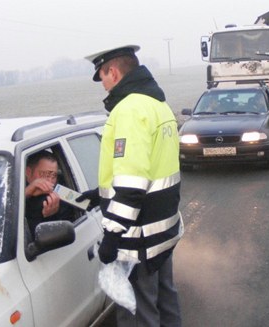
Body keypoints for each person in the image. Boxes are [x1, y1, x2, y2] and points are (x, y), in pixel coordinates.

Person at [78, 45, 183, 327]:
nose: (103, 86)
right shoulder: (157, 104)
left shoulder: (128, 110)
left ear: (112, 71)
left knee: (137, 313)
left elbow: (132, 184)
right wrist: (99, 195)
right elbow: (152, 167)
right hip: (162, 229)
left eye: (101, 77)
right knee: (165, 299)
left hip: (138, 238)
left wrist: (112, 236)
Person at [25, 150, 70, 237]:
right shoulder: (12, 186)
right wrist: (26, 193)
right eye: (45, 175)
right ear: (28, 172)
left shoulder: (60, 197)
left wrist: (50, 216)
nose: (50, 181)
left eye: (54, 176)